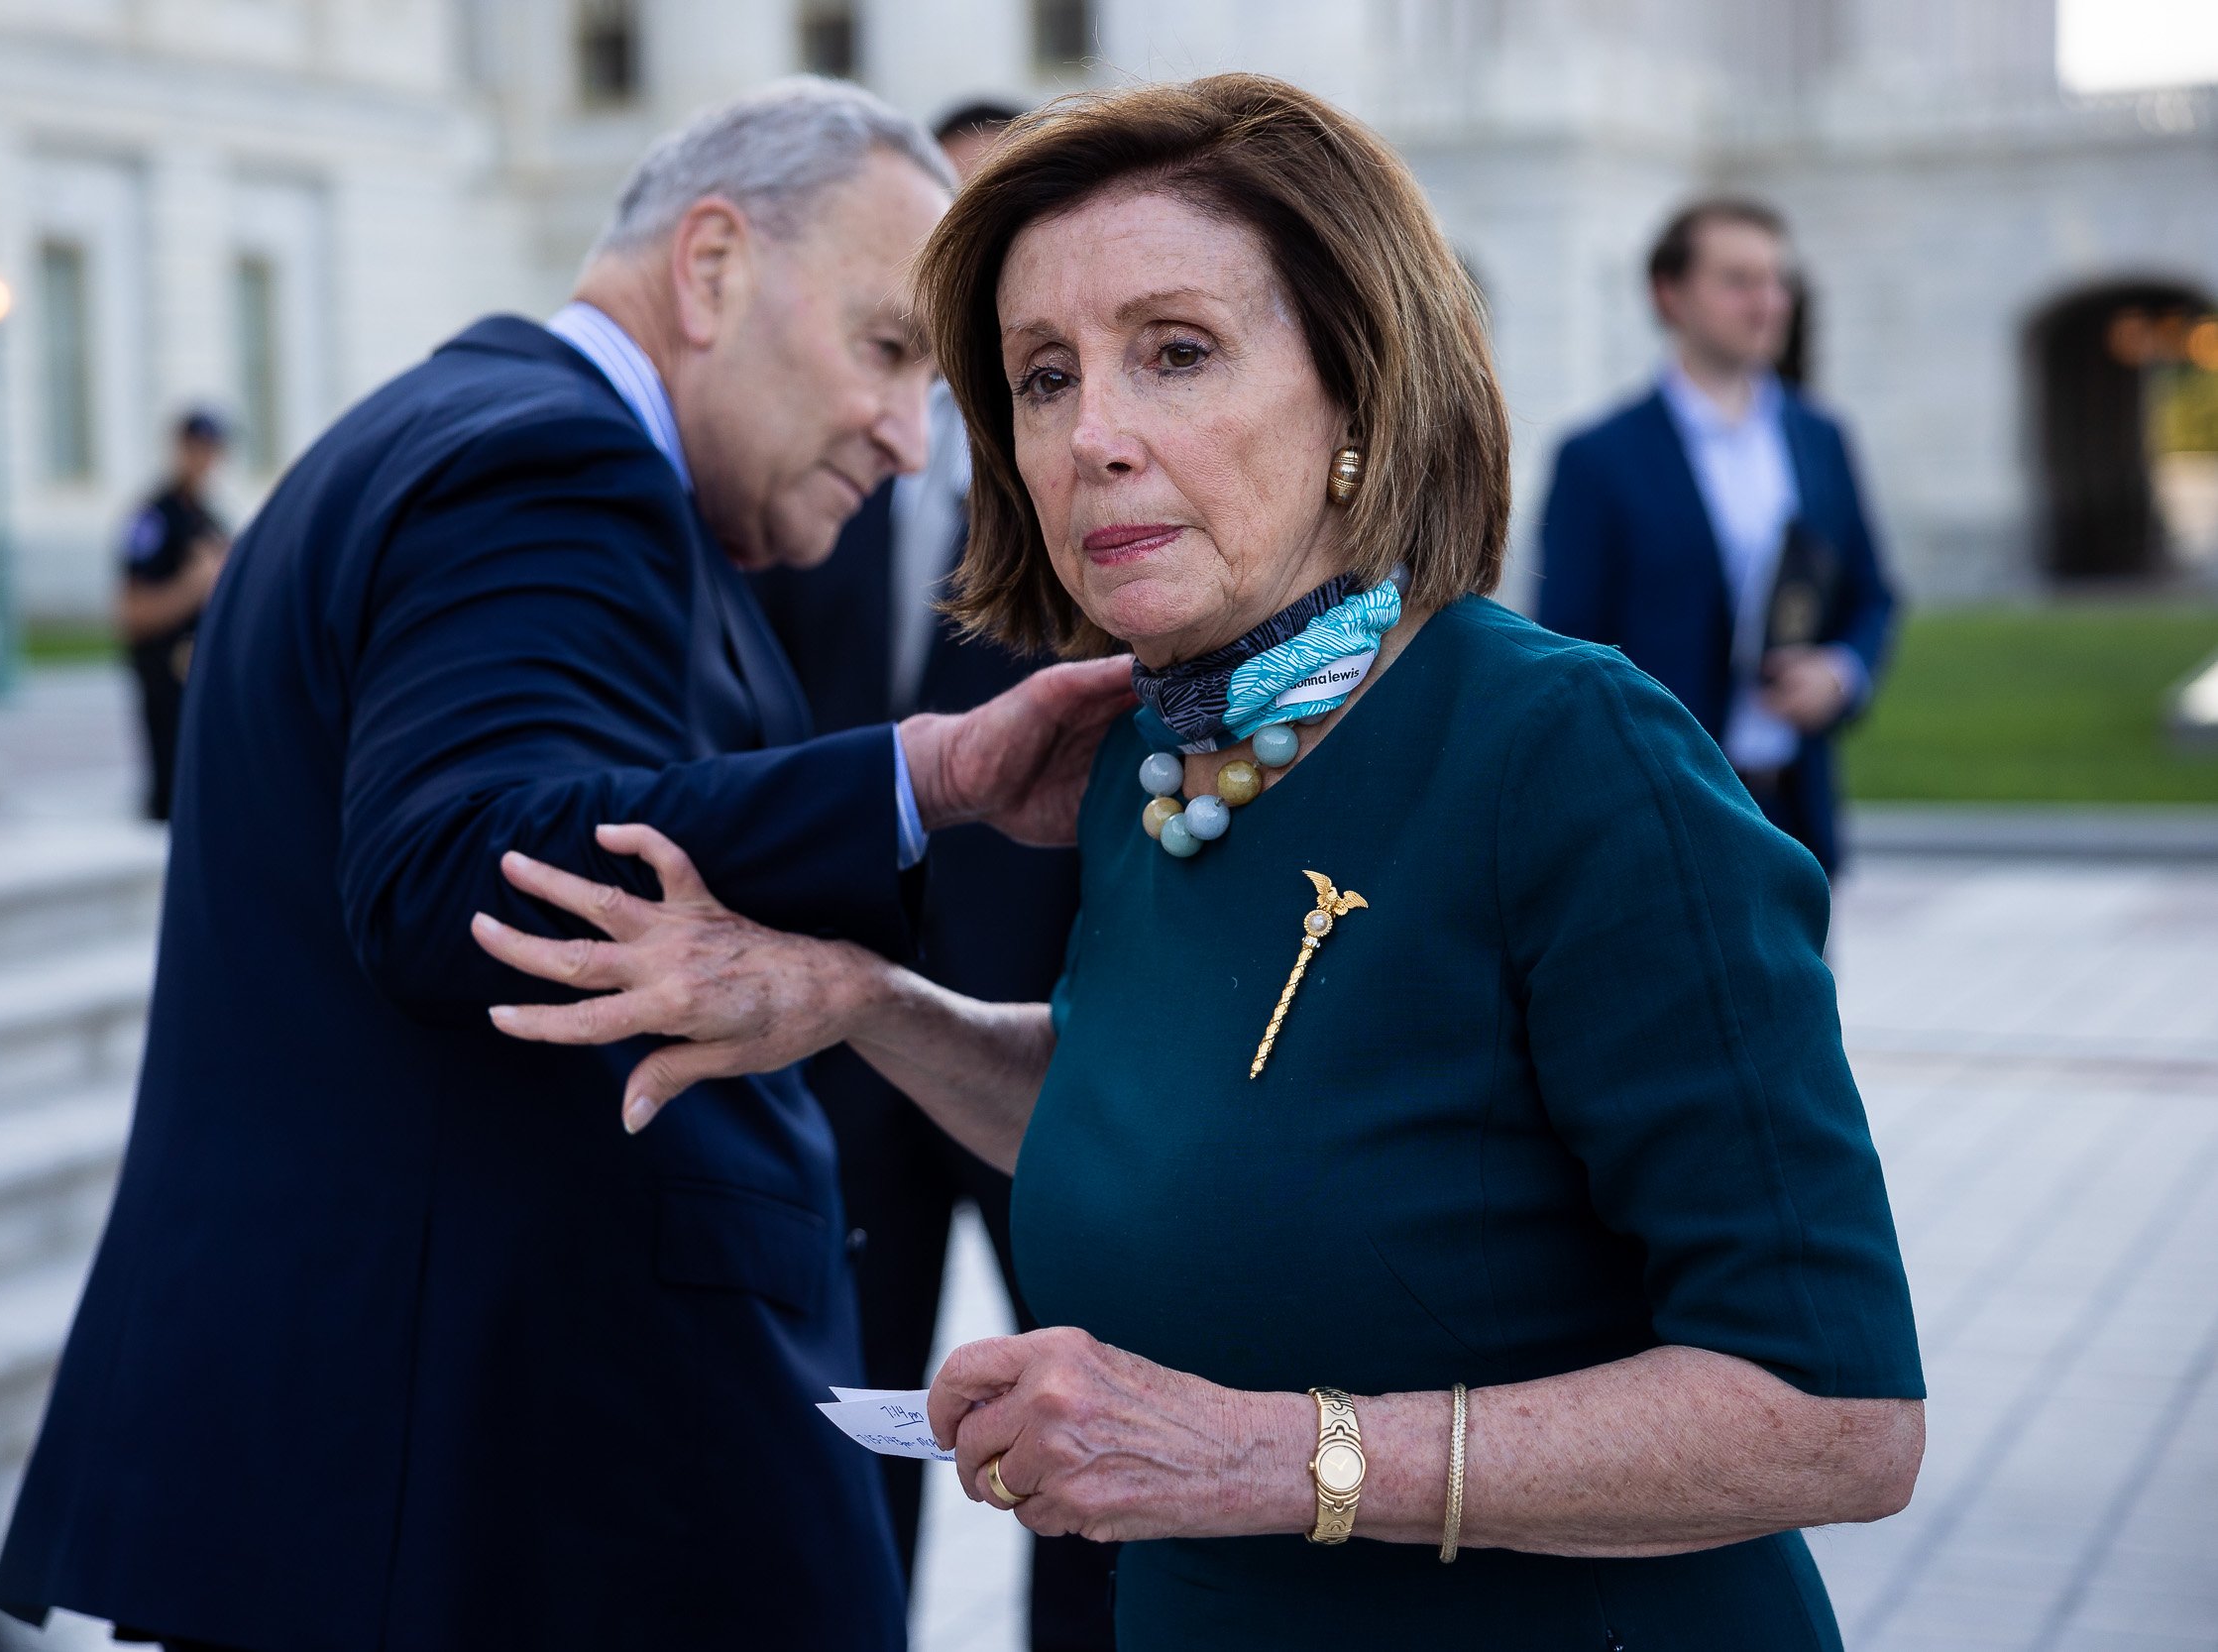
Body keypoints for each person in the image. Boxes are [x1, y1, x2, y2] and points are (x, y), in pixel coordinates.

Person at [474, 75, 1927, 1651]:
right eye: (1041, 376)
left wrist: (1255, 1454)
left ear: (1355, 395)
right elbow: (1171, 1117)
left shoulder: (1574, 755)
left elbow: (1834, 1411)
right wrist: (863, 1001)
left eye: (1176, 352)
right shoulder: (1159, 760)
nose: (1091, 436)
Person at [0, 79, 1131, 1652]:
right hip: (469, 1504)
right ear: (713, 264)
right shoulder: (553, 463)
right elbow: (464, 865)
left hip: (394, 1483)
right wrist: (926, 772)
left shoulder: (483, 433)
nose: (905, 428)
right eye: (887, 349)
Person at [752, 95, 1117, 1652]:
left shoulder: (1111, 469)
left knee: (1086, 1432)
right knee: (844, 1426)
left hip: (1052, 1027)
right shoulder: (817, 461)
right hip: (839, 1044)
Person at [1539, 198, 1898, 873]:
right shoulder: (1596, 458)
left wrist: (1840, 673)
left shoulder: (1821, 438)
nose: (1769, 302)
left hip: (1795, 810)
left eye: (1777, 280)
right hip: (1659, 815)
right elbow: (1568, 646)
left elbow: (1873, 595)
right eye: (1739, 281)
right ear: (1669, 294)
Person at [115, 409, 231, 823]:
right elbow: (131, 612)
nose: (205, 459)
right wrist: (195, 585)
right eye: (196, 448)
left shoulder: (210, 519)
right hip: (164, 676)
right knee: (170, 795)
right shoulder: (153, 518)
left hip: (202, 679)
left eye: (212, 450)